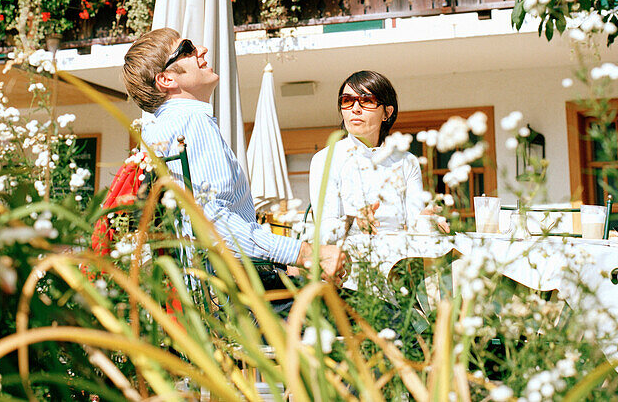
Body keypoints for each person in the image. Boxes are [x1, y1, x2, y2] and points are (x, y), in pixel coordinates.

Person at [122, 26, 344, 282]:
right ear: (167, 80)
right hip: (231, 295)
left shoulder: (157, 132)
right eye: (187, 49)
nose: (202, 50)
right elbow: (214, 222)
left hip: (198, 287)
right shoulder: (192, 123)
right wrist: (304, 253)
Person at [308, 70, 433, 237]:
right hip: (348, 259)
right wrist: (354, 223)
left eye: (367, 101)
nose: (356, 109)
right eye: (347, 101)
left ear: (387, 113)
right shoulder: (325, 159)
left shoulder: (406, 161)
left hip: (398, 259)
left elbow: (415, 224)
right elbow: (325, 230)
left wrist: (429, 224)